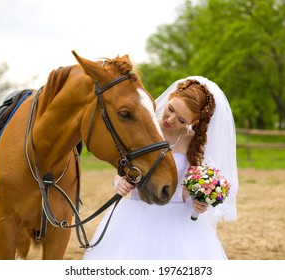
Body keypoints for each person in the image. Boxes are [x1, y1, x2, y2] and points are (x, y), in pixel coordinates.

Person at [82, 76, 238, 260]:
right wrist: (120, 182)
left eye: (181, 119)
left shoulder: (193, 142)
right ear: (170, 96)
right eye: (170, 109)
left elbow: (187, 189)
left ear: (194, 121)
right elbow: (124, 167)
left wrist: (195, 202)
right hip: (137, 213)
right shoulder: (144, 128)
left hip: (178, 222)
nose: (170, 119)